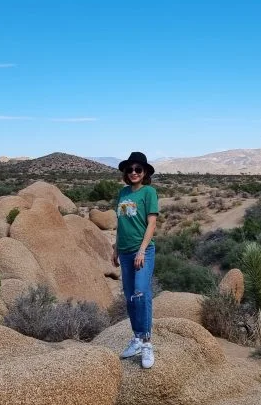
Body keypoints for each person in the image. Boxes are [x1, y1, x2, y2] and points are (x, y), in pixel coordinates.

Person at [111, 151, 159, 369]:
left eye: (138, 169)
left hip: (142, 251)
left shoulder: (149, 192)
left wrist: (141, 251)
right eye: (130, 169)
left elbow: (152, 224)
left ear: (145, 172)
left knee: (141, 293)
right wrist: (116, 249)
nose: (133, 172)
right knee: (130, 298)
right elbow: (121, 224)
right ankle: (137, 338)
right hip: (125, 251)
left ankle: (147, 342)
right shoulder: (123, 193)